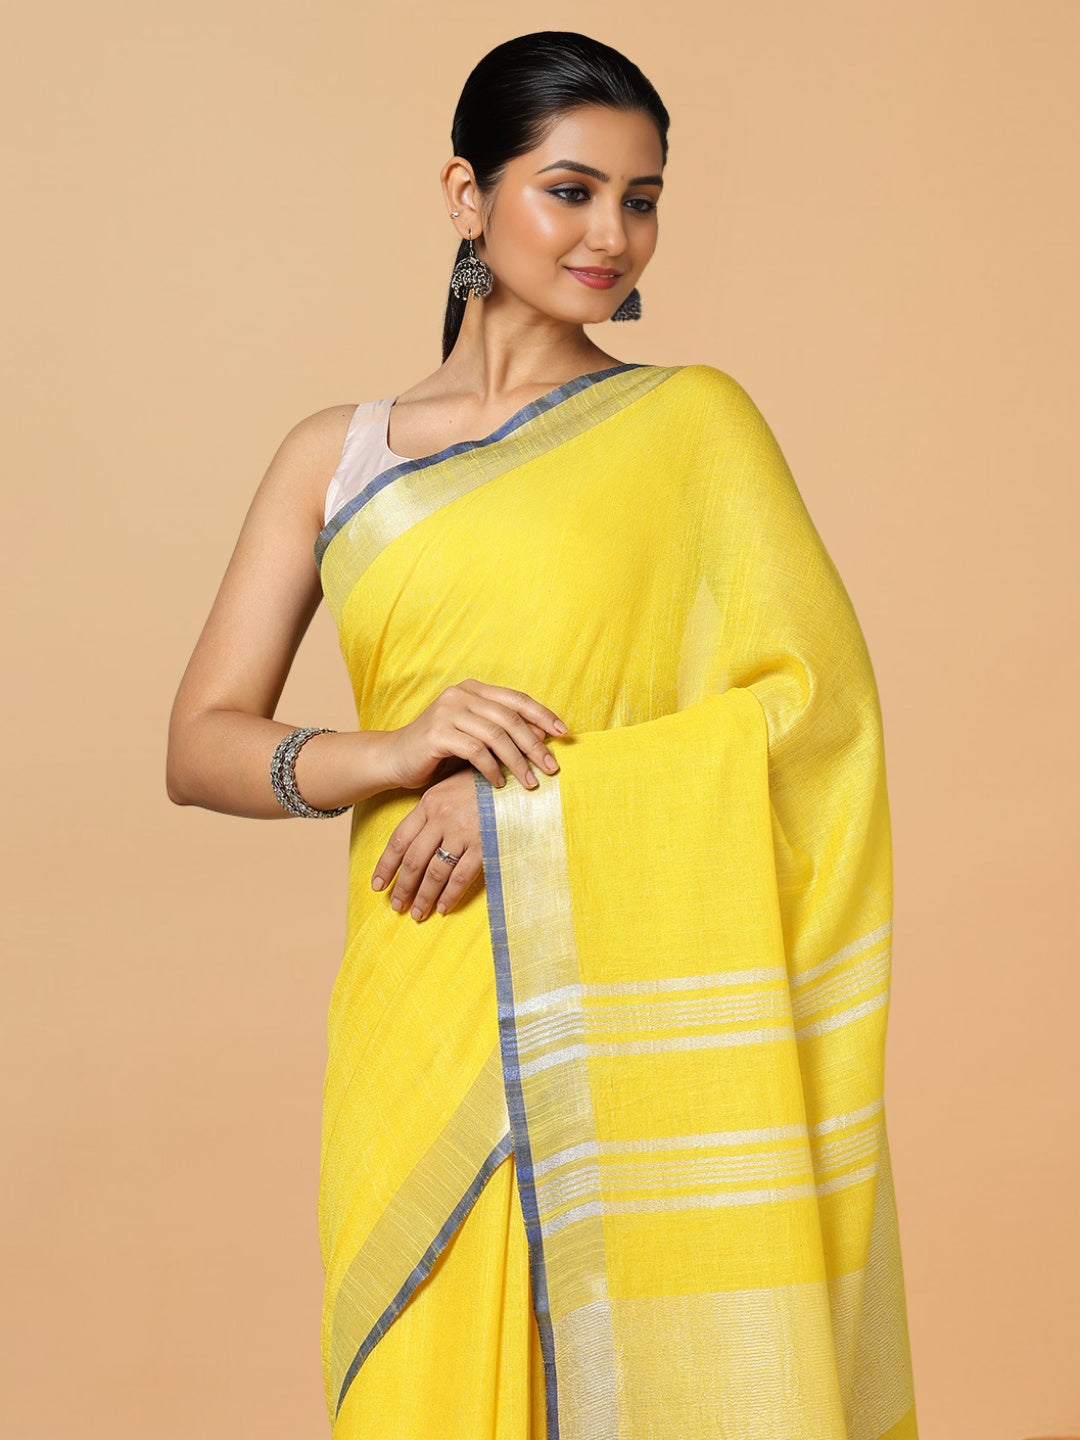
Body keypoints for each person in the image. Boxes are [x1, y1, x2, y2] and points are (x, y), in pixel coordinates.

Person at [166, 28, 919, 1440]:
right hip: (420, 984)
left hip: (620, 1003)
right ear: (469, 194)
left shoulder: (693, 425)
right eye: (570, 191)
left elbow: (813, 717)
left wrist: (523, 802)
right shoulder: (337, 456)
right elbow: (199, 745)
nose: (610, 236)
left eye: (641, 200)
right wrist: (398, 754)